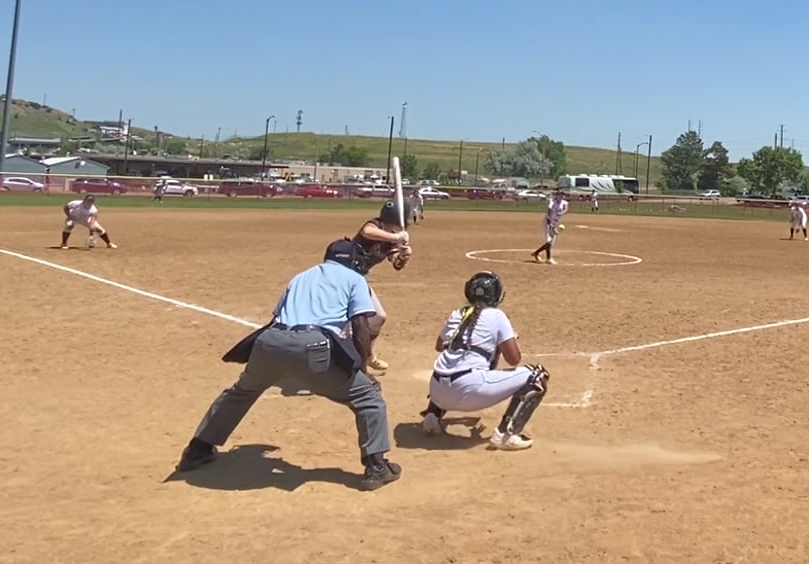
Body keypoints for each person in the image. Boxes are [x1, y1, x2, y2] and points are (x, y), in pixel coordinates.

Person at [175, 252, 403, 490]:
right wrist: (362, 368)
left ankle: (197, 450)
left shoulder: (301, 276)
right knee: (368, 397)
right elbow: (361, 325)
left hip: (269, 342)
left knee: (240, 393)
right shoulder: (354, 278)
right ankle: (376, 467)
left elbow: (277, 316)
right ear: (353, 261)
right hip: (312, 347)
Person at [417, 272, 549, 451]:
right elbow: (514, 360)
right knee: (537, 376)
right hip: (469, 389)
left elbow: (440, 346)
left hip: (437, 391)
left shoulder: (458, 313)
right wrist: (503, 341)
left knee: (450, 363)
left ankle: (433, 415)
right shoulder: (497, 316)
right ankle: (507, 435)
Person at [324, 201, 414, 374]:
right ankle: (336, 360)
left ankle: (367, 355)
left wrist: (404, 257)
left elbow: (396, 264)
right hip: (340, 277)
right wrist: (397, 238)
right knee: (343, 322)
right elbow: (367, 231)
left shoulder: (390, 240)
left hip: (358, 280)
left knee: (378, 317)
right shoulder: (375, 225)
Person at [530, 190, 569, 264]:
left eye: (562, 195)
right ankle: (548, 259)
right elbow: (549, 211)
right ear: (556, 195)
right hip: (548, 222)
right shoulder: (552, 202)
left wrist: (561, 212)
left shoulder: (564, 202)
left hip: (555, 223)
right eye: (559, 195)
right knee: (549, 241)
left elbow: (566, 209)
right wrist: (551, 225)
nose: (561, 196)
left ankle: (536, 253)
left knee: (551, 242)